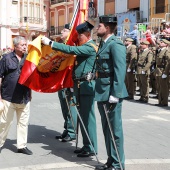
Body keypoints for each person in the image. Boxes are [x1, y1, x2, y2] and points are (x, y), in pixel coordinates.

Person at [41, 21, 98, 157]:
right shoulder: (85, 45)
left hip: (86, 87)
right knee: (83, 118)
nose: (78, 38)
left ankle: (91, 147)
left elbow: (73, 50)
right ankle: (86, 145)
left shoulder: (90, 47)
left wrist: (51, 43)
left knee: (88, 119)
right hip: (79, 86)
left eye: (80, 35)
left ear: (87, 35)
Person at [95, 15, 128, 170]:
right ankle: (111, 159)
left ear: (107, 28)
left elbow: (120, 70)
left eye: (99, 25)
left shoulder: (116, 44)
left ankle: (118, 164)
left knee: (115, 130)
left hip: (111, 93)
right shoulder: (103, 43)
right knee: (106, 128)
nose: (97, 28)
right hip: (102, 91)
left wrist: (116, 93)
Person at [0, 36, 32, 155]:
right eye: (22, 44)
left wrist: (31, 93)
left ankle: (21, 146)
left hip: (24, 97)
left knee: (23, 123)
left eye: (25, 44)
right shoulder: (6, 58)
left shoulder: (28, 58)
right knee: (4, 123)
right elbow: (0, 76)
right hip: (8, 97)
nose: (25, 46)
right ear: (16, 46)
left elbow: (31, 77)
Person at [55, 24, 77, 142]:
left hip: (69, 81)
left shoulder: (73, 46)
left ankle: (72, 131)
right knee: (64, 106)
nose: (61, 32)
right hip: (60, 81)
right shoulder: (61, 45)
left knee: (70, 107)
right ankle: (67, 128)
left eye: (64, 31)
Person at [154, 39, 170, 107]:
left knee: (164, 88)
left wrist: (165, 73)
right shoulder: (160, 50)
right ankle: (160, 101)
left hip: (163, 70)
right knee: (159, 87)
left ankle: (164, 102)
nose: (160, 43)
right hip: (158, 70)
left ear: (166, 44)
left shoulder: (167, 51)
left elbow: (168, 64)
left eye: (162, 42)